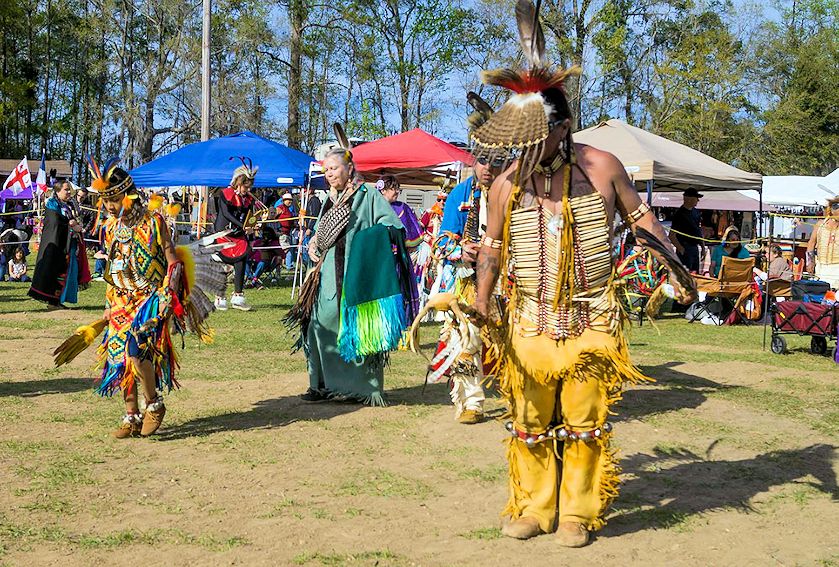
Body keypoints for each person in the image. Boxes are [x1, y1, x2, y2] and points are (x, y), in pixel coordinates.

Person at [472, 0, 696, 547]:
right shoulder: (507, 183)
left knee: (584, 421)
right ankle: (533, 505)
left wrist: (673, 263)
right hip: (527, 321)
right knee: (527, 419)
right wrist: (482, 303)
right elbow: (493, 249)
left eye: (536, 139)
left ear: (564, 128)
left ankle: (576, 511)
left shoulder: (603, 168)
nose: (525, 151)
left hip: (592, 316)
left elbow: (643, 222)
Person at [287, 146, 413, 406]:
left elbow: (394, 226)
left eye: (333, 168)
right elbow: (320, 232)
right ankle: (321, 385)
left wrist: (373, 239)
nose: (329, 174)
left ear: (349, 168)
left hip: (359, 272)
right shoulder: (330, 199)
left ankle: (363, 388)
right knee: (319, 324)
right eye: (326, 171)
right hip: (329, 273)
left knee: (358, 327)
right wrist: (313, 245)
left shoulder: (368, 195)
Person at [429, 95, 499, 425]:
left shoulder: (514, 193)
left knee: (513, 338)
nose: (488, 168)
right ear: (474, 162)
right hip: (469, 281)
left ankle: (521, 393)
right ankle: (472, 401)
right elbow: (442, 241)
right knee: (466, 339)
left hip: (510, 281)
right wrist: (461, 250)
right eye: (483, 161)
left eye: (495, 161)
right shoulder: (461, 194)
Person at [28, 180, 91, 307]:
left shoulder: (69, 205)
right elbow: (54, 222)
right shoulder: (52, 204)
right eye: (66, 190)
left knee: (68, 272)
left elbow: (74, 219)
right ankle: (52, 300)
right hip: (55, 244)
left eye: (69, 190)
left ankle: (59, 300)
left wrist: (74, 224)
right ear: (57, 191)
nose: (69, 192)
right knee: (55, 271)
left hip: (68, 242)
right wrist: (70, 224)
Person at [213, 162, 256, 311]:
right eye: (246, 186)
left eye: (249, 187)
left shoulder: (248, 199)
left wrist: (252, 224)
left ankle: (238, 295)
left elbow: (250, 216)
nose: (248, 190)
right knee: (222, 262)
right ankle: (220, 297)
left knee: (241, 259)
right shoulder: (225, 193)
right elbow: (226, 213)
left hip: (238, 233)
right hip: (223, 233)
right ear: (238, 183)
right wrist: (242, 224)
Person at [806, 197, 839, 289]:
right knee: (820, 292)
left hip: (837, 266)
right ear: (831, 210)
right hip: (822, 266)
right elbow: (811, 243)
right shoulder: (820, 224)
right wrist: (810, 262)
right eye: (835, 207)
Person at [668, 188, 704, 272]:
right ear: (688, 199)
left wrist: (702, 246)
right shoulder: (679, 214)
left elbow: (698, 230)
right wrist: (681, 249)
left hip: (694, 247)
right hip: (685, 246)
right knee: (685, 274)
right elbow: (672, 235)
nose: (698, 200)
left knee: (695, 274)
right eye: (696, 198)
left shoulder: (696, 212)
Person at [275, 192, 295, 267]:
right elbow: (272, 217)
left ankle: (285, 265)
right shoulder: (280, 208)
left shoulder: (288, 209)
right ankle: (289, 266)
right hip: (281, 233)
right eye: (287, 200)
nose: (289, 201)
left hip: (287, 232)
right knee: (287, 249)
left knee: (287, 249)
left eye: (290, 200)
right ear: (283, 200)